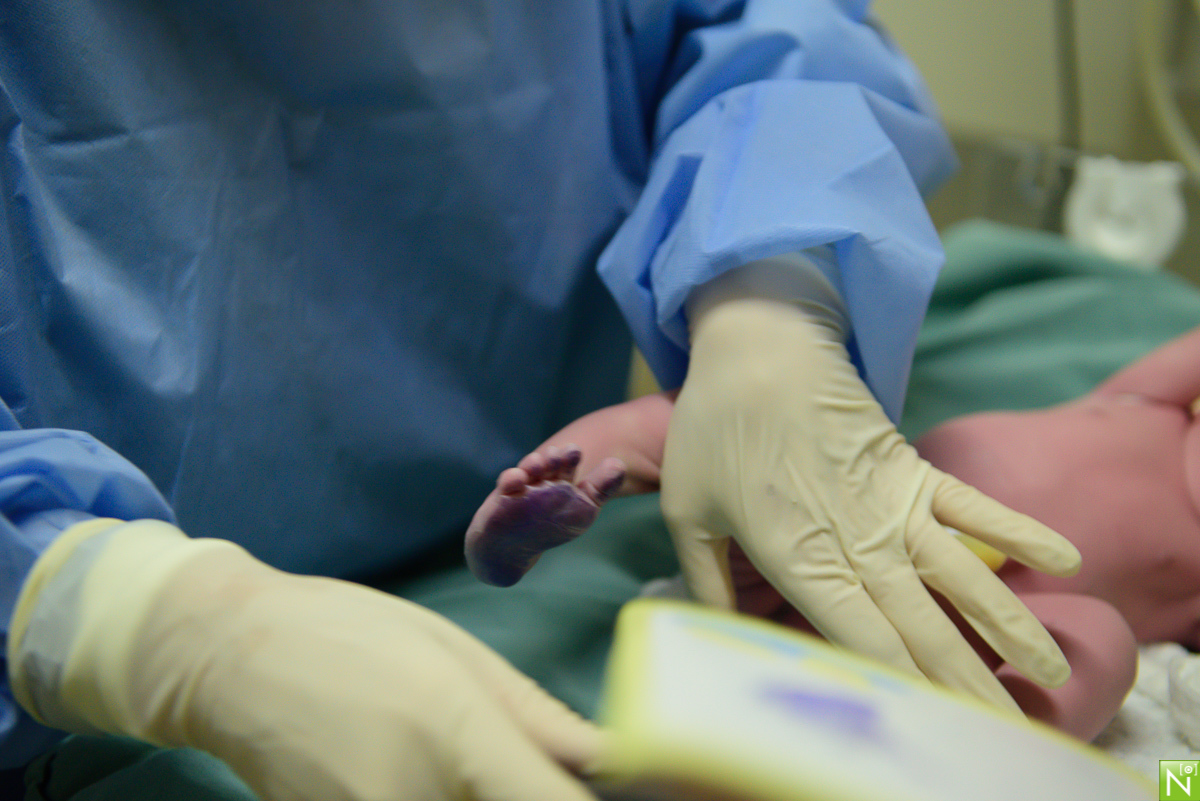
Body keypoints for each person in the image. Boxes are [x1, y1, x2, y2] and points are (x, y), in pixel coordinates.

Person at [0, 3, 1082, 799]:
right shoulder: (1152, 418)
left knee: (1114, 734)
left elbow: (766, 30)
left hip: (901, 571)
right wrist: (125, 620)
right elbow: (655, 450)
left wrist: (770, 307)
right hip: (756, 593)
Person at [467, 318, 1200, 741]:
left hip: (958, 639)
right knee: (718, 415)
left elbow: (1179, 773)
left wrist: (1173, 785)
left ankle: (999, 760)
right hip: (829, 505)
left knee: (1096, 642)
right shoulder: (1151, 406)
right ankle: (553, 495)